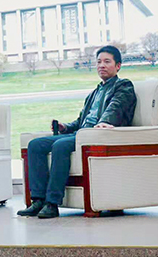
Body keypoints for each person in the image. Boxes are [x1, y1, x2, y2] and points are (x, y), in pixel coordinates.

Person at [17, 46, 137, 219]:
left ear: (118, 66)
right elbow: (81, 120)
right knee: (35, 145)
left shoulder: (123, 86)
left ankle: (52, 203)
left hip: (95, 135)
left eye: (107, 62)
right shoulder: (95, 92)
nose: (101, 65)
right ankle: (38, 200)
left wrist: (104, 122)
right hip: (81, 134)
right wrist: (66, 127)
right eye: (99, 62)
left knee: (60, 145)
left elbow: (115, 108)